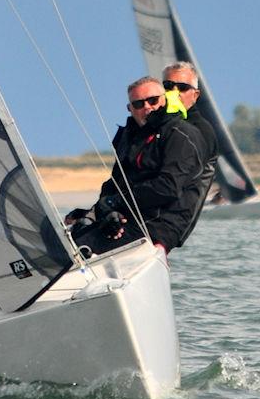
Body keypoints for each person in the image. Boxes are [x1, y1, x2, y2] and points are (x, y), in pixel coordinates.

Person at [65, 76, 204, 256]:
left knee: (78, 249)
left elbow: (168, 186)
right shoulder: (129, 137)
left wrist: (117, 202)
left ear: (165, 100)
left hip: (160, 224)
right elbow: (115, 182)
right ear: (130, 109)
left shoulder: (181, 135)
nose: (147, 107)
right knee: (71, 235)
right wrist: (102, 210)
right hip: (129, 217)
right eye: (138, 104)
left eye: (153, 100)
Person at [161, 61, 219, 243]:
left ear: (195, 95)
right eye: (168, 86)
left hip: (171, 224)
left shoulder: (200, 131)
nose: (175, 92)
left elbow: (174, 181)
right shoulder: (157, 125)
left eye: (183, 87)